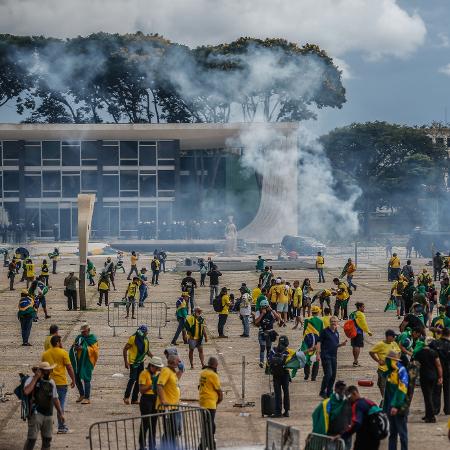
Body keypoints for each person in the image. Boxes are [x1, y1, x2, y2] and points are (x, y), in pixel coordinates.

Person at [22, 361, 65, 450]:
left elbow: (55, 398)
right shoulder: (31, 379)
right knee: (31, 439)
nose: (48, 372)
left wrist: (61, 413)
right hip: (35, 414)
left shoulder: (51, 382)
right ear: (40, 371)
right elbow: (26, 391)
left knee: (47, 440)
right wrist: (36, 378)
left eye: (49, 370)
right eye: (46, 370)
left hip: (48, 414)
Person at [41, 335, 76, 434]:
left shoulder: (45, 354)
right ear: (57, 343)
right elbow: (69, 368)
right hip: (61, 383)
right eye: (60, 342)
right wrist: (73, 380)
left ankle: (46, 427)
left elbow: (43, 369)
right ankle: (61, 427)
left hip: (48, 382)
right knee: (60, 405)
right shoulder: (63, 353)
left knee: (48, 406)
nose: (61, 343)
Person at [339, 385, 382, 450]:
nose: (349, 400)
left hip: (364, 439)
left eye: (349, 397)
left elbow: (357, 423)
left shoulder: (357, 405)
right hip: (375, 438)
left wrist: (344, 435)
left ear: (354, 393)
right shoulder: (369, 402)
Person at [312, 380, 352, 448]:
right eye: (341, 389)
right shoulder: (327, 404)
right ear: (335, 389)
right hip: (331, 438)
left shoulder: (348, 403)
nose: (342, 392)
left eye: (344, 389)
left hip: (345, 437)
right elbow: (316, 416)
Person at [383, 351, 409, 450]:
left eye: (387, 360)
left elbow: (402, 389)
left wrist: (395, 405)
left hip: (399, 407)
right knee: (392, 433)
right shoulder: (390, 372)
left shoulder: (401, 370)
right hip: (390, 407)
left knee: (402, 433)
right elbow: (387, 393)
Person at [413, 338, 443, 422]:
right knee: (430, 395)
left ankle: (431, 417)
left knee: (427, 397)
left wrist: (414, 379)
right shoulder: (434, 353)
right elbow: (438, 365)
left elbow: (415, 365)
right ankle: (428, 415)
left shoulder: (419, 353)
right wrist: (440, 377)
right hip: (434, 376)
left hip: (424, 376)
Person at [317, 316, 347, 398]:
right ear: (329, 322)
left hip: (334, 356)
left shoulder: (336, 332)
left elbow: (335, 345)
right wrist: (318, 354)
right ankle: (322, 391)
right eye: (332, 321)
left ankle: (329, 392)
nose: (333, 323)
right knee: (328, 374)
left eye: (335, 321)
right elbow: (319, 342)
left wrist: (341, 344)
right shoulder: (324, 331)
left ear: (337, 323)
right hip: (326, 355)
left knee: (333, 375)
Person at [156, 355, 183, 445]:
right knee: (170, 431)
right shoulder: (166, 371)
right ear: (172, 361)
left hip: (174, 406)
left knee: (174, 430)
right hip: (168, 407)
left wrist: (181, 371)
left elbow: (175, 382)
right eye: (178, 361)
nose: (179, 362)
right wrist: (163, 400)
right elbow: (159, 385)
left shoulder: (172, 372)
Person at [69, 323, 99, 405]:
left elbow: (95, 351)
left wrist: (83, 348)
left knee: (86, 379)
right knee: (77, 378)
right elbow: (74, 345)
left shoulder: (93, 339)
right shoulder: (79, 337)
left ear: (88, 331)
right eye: (82, 332)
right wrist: (75, 347)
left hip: (87, 361)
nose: (83, 333)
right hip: (78, 361)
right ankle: (81, 394)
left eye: (84, 332)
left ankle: (87, 398)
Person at [138, 357, 164, 450]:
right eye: (156, 367)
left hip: (155, 399)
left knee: (153, 423)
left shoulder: (157, 373)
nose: (158, 369)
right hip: (146, 400)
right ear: (151, 366)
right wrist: (151, 385)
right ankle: (142, 445)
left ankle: (152, 446)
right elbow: (141, 390)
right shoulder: (143, 374)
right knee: (145, 424)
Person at [123, 325, 152, 405]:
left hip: (141, 362)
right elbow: (125, 349)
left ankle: (134, 399)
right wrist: (126, 362)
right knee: (132, 379)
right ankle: (126, 397)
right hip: (133, 363)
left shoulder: (145, 339)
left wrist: (153, 357)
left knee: (139, 381)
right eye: (145, 332)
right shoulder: (133, 338)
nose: (147, 334)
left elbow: (147, 351)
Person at [268, 335, 295, 418]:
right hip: (285, 374)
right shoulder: (289, 351)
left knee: (277, 393)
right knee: (286, 392)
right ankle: (286, 411)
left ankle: (278, 412)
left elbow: (269, 360)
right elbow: (295, 361)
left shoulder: (273, 350)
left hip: (276, 374)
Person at [369, 330, 401, 397]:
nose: (394, 338)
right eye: (393, 337)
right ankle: (384, 398)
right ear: (388, 337)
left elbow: (399, 352)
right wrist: (378, 360)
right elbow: (371, 352)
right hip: (383, 370)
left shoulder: (394, 343)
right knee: (382, 385)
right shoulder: (380, 344)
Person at [199, 356, 223, 437]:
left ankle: (207, 443)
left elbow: (200, 386)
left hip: (202, 402)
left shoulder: (203, 372)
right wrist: (219, 400)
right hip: (210, 403)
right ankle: (207, 443)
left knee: (206, 424)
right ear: (215, 365)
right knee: (210, 425)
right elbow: (219, 390)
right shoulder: (213, 375)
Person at [254, 299, 281, 368]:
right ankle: (261, 362)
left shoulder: (271, 312)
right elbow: (256, 322)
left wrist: (272, 310)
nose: (263, 309)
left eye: (264, 307)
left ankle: (268, 363)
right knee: (262, 347)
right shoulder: (258, 312)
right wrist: (262, 314)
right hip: (262, 332)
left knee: (269, 348)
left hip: (270, 333)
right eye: (262, 307)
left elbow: (278, 318)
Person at [429, 328, 450, 415]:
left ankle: (435, 409)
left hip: (436, 369)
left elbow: (428, 354)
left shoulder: (434, 343)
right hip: (448, 370)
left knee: (436, 390)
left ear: (441, 333)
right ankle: (448, 409)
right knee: (448, 390)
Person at [302, 305, 323, 381]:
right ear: (318, 312)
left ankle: (306, 375)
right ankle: (313, 377)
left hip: (307, 340)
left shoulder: (307, 319)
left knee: (306, 357)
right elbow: (321, 332)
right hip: (317, 340)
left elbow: (304, 330)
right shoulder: (320, 321)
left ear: (312, 312)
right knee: (316, 358)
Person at [349, 302, 372, 367]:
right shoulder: (361, 314)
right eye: (363, 307)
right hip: (358, 332)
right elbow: (363, 324)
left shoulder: (353, 313)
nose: (364, 308)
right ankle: (355, 361)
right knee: (357, 346)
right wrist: (368, 331)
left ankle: (355, 360)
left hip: (352, 331)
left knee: (354, 346)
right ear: (359, 308)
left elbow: (349, 319)